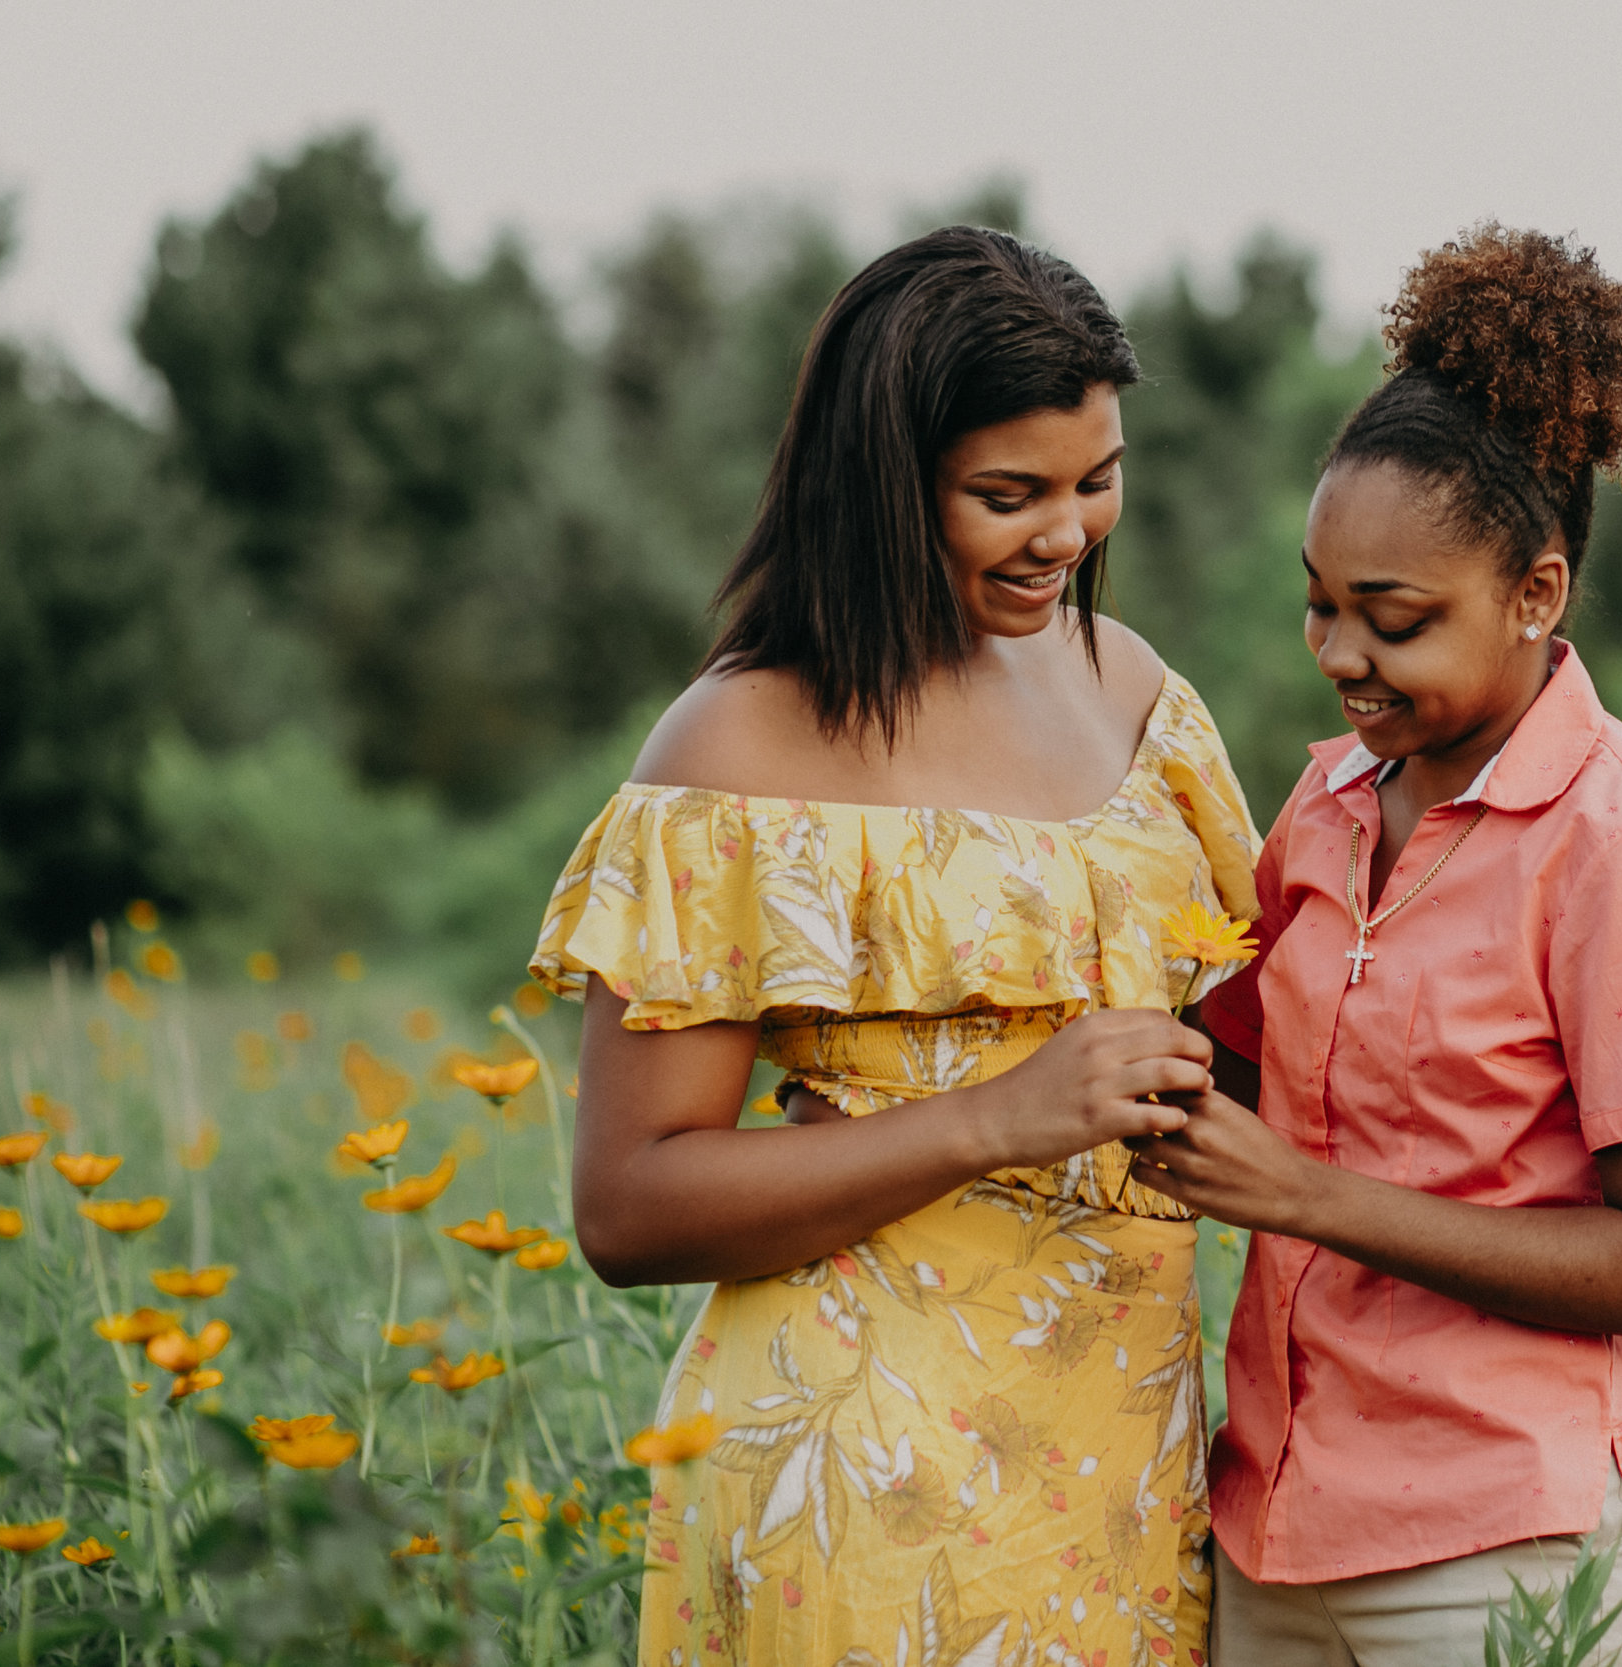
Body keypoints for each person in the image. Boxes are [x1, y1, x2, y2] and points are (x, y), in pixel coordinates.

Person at [531, 225, 1259, 1667]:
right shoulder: (743, 741)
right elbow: (629, 1206)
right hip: (857, 1479)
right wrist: (992, 1118)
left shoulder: (1135, 693)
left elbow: (1245, 1047)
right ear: (882, 484)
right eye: (1009, 495)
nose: (1065, 535)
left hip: (1129, 1463)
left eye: (1096, 481)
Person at [1126, 224, 1622, 1667]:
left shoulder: (1621, 844)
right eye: (1321, 603)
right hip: (1275, 1524)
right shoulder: (1329, 807)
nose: (1340, 654)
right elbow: (1237, 1079)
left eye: (1392, 621)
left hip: (1515, 1545)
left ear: (1537, 596)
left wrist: (1304, 1195)